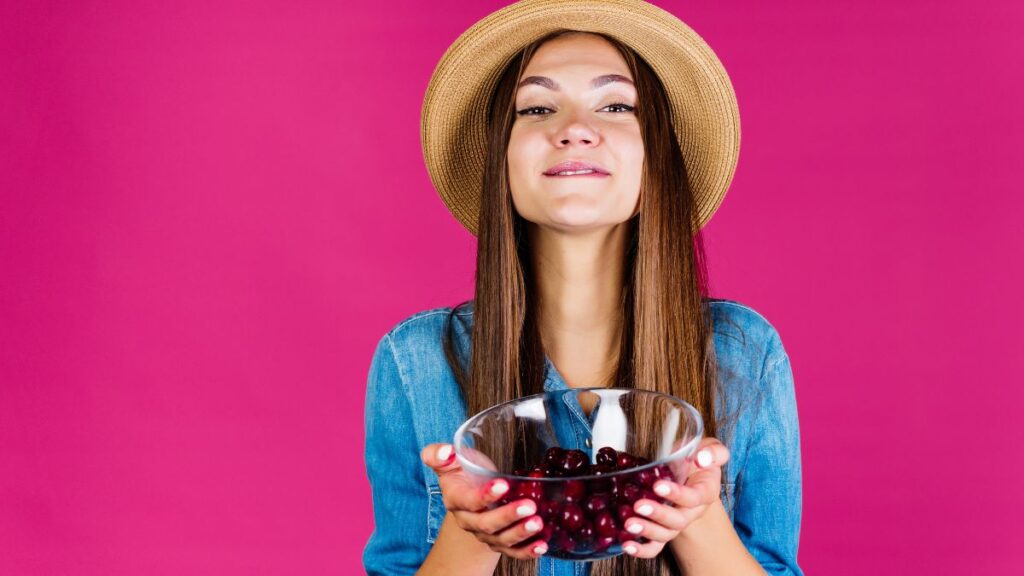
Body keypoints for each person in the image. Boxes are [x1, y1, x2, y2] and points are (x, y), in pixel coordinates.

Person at [362, 1, 804, 575]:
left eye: (616, 105)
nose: (573, 129)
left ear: (656, 158)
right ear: (503, 159)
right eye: (538, 107)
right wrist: (474, 530)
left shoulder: (745, 352)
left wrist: (697, 515)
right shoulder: (413, 361)